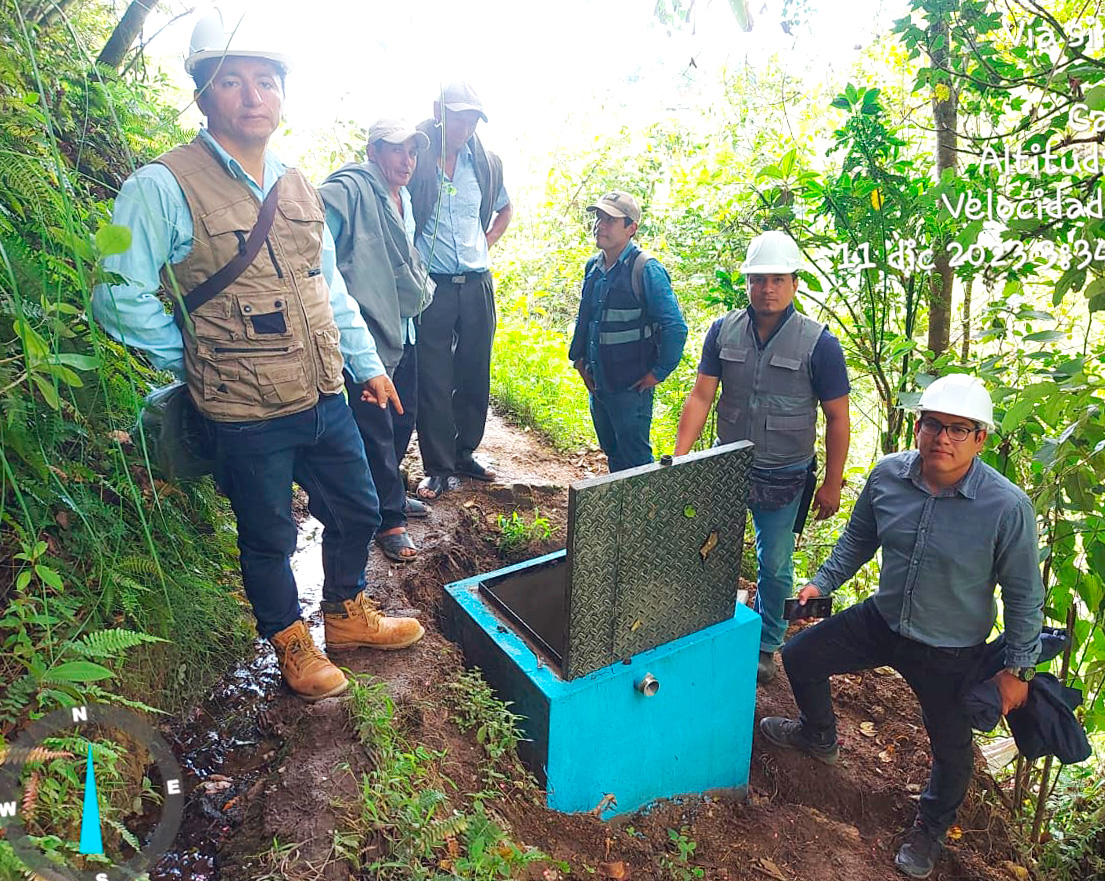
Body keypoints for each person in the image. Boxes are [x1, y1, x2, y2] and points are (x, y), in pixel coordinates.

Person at [92, 9, 424, 703]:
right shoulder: (160, 185)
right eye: (233, 81)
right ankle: (290, 642)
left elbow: (325, 285)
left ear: (281, 94)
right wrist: (196, 359)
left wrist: (367, 365)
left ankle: (346, 612)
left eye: (266, 82)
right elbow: (115, 295)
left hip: (321, 391)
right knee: (268, 534)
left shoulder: (296, 182)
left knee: (359, 507)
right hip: (241, 409)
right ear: (204, 93)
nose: (253, 95)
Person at [759, 374, 1044, 880]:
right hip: (882, 619)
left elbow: (1024, 595)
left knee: (952, 752)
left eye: (960, 429)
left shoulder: (1006, 507)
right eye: (934, 424)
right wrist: (820, 584)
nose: (943, 438)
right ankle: (818, 735)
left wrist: (1018, 670)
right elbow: (857, 540)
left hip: (951, 649)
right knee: (800, 658)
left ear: (981, 438)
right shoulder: (889, 475)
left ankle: (930, 828)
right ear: (918, 426)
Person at [673, 230, 850, 682]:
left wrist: (832, 483)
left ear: (794, 283)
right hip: (727, 467)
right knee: (709, 548)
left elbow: (836, 418)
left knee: (774, 563)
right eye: (757, 279)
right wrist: (680, 458)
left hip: (784, 474)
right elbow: (700, 397)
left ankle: (768, 641)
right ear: (747, 284)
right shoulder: (722, 330)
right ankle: (706, 623)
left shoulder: (819, 344)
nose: (766, 289)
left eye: (776, 279)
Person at [319, 119, 435, 564]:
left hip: (402, 326)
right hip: (362, 331)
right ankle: (388, 520)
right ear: (374, 151)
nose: (407, 160)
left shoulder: (403, 197)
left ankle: (392, 494)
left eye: (412, 151)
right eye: (396, 150)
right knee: (375, 428)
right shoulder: (349, 189)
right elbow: (317, 242)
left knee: (406, 417)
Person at [407, 81, 512, 500]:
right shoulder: (417, 155)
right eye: (459, 116)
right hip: (431, 284)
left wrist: (483, 244)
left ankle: (464, 452)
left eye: (472, 119)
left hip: (477, 282)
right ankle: (437, 466)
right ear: (438, 110)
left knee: (474, 370)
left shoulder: (486, 163)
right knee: (432, 375)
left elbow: (505, 208)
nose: (465, 127)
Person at [568, 191, 688, 472]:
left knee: (635, 458)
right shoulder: (594, 267)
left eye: (611, 220)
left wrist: (657, 373)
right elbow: (587, 319)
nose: (601, 225)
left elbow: (675, 327)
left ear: (631, 228)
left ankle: (642, 514)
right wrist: (580, 362)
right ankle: (618, 514)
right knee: (612, 451)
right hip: (599, 383)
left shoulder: (646, 270)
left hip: (631, 388)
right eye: (600, 218)